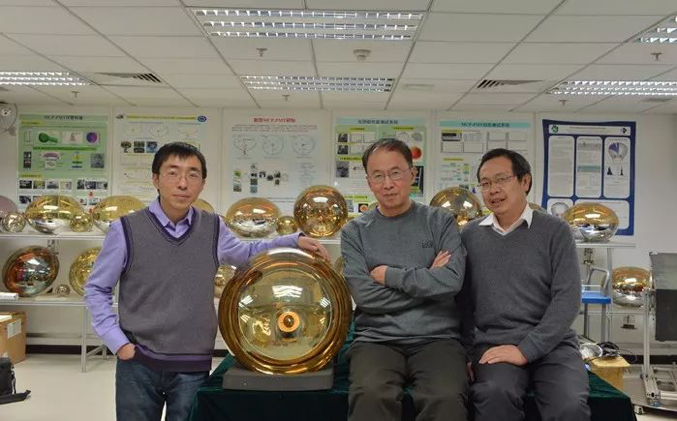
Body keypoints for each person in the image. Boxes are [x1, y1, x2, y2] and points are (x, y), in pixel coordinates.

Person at [85, 142, 328, 421]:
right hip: (139, 363)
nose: (183, 183)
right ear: (155, 179)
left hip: (192, 363)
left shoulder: (213, 227)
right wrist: (118, 343)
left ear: (202, 184)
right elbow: (97, 288)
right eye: (173, 173)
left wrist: (293, 241)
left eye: (193, 174)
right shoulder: (126, 229)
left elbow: (246, 254)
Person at [341, 138, 468, 421]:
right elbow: (365, 297)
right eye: (378, 176)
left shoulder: (440, 222)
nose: (388, 184)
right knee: (370, 394)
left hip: (437, 339)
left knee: (446, 398)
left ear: (412, 174)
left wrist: (390, 275)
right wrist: (429, 282)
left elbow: (451, 282)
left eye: (395, 173)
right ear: (369, 182)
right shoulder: (354, 232)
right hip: (377, 339)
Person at [460, 148, 590, 421]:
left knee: (569, 406)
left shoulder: (556, 231)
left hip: (554, 345)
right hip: (494, 344)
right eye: (485, 183)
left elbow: (567, 299)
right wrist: (467, 353)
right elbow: (463, 303)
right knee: (494, 395)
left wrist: (525, 350)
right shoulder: (470, 235)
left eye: (501, 179)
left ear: (525, 181)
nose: (493, 190)